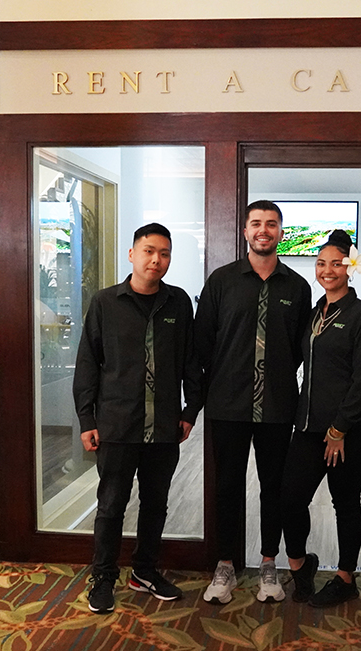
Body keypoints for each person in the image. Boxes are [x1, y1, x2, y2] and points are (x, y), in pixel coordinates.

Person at [73, 223, 203, 614]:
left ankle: (144, 570)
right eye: (149, 251)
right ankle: (103, 575)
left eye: (164, 253)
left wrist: (189, 409)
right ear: (132, 254)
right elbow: (88, 364)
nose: (156, 260)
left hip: (164, 426)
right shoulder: (105, 302)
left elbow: (190, 361)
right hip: (117, 424)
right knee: (112, 504)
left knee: (156, 503)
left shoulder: (178, 303)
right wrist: (86, 419)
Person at [195, 200, 312, 604]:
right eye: (257, 223)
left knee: (274, 488)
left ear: (282, 232)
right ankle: (225, 565)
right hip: (227, 405)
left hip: (278, 406)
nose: (264, 230)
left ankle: (268, 564)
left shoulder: (297, 287)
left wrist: (272, 375)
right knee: (227, 487)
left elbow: (300, 347)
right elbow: (204, 343)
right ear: (245, 231)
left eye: (272, 224)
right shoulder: (222, 281)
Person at [282, 230, 361, 607]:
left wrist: (339, 429)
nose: (327, 270)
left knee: (345, 502)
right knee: (290, 498)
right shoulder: (313, 315)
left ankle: (345, 576)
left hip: (350, 431)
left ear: (350, 267)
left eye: (336, 263)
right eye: (321, 263)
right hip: (308, 427)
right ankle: (301, 564)